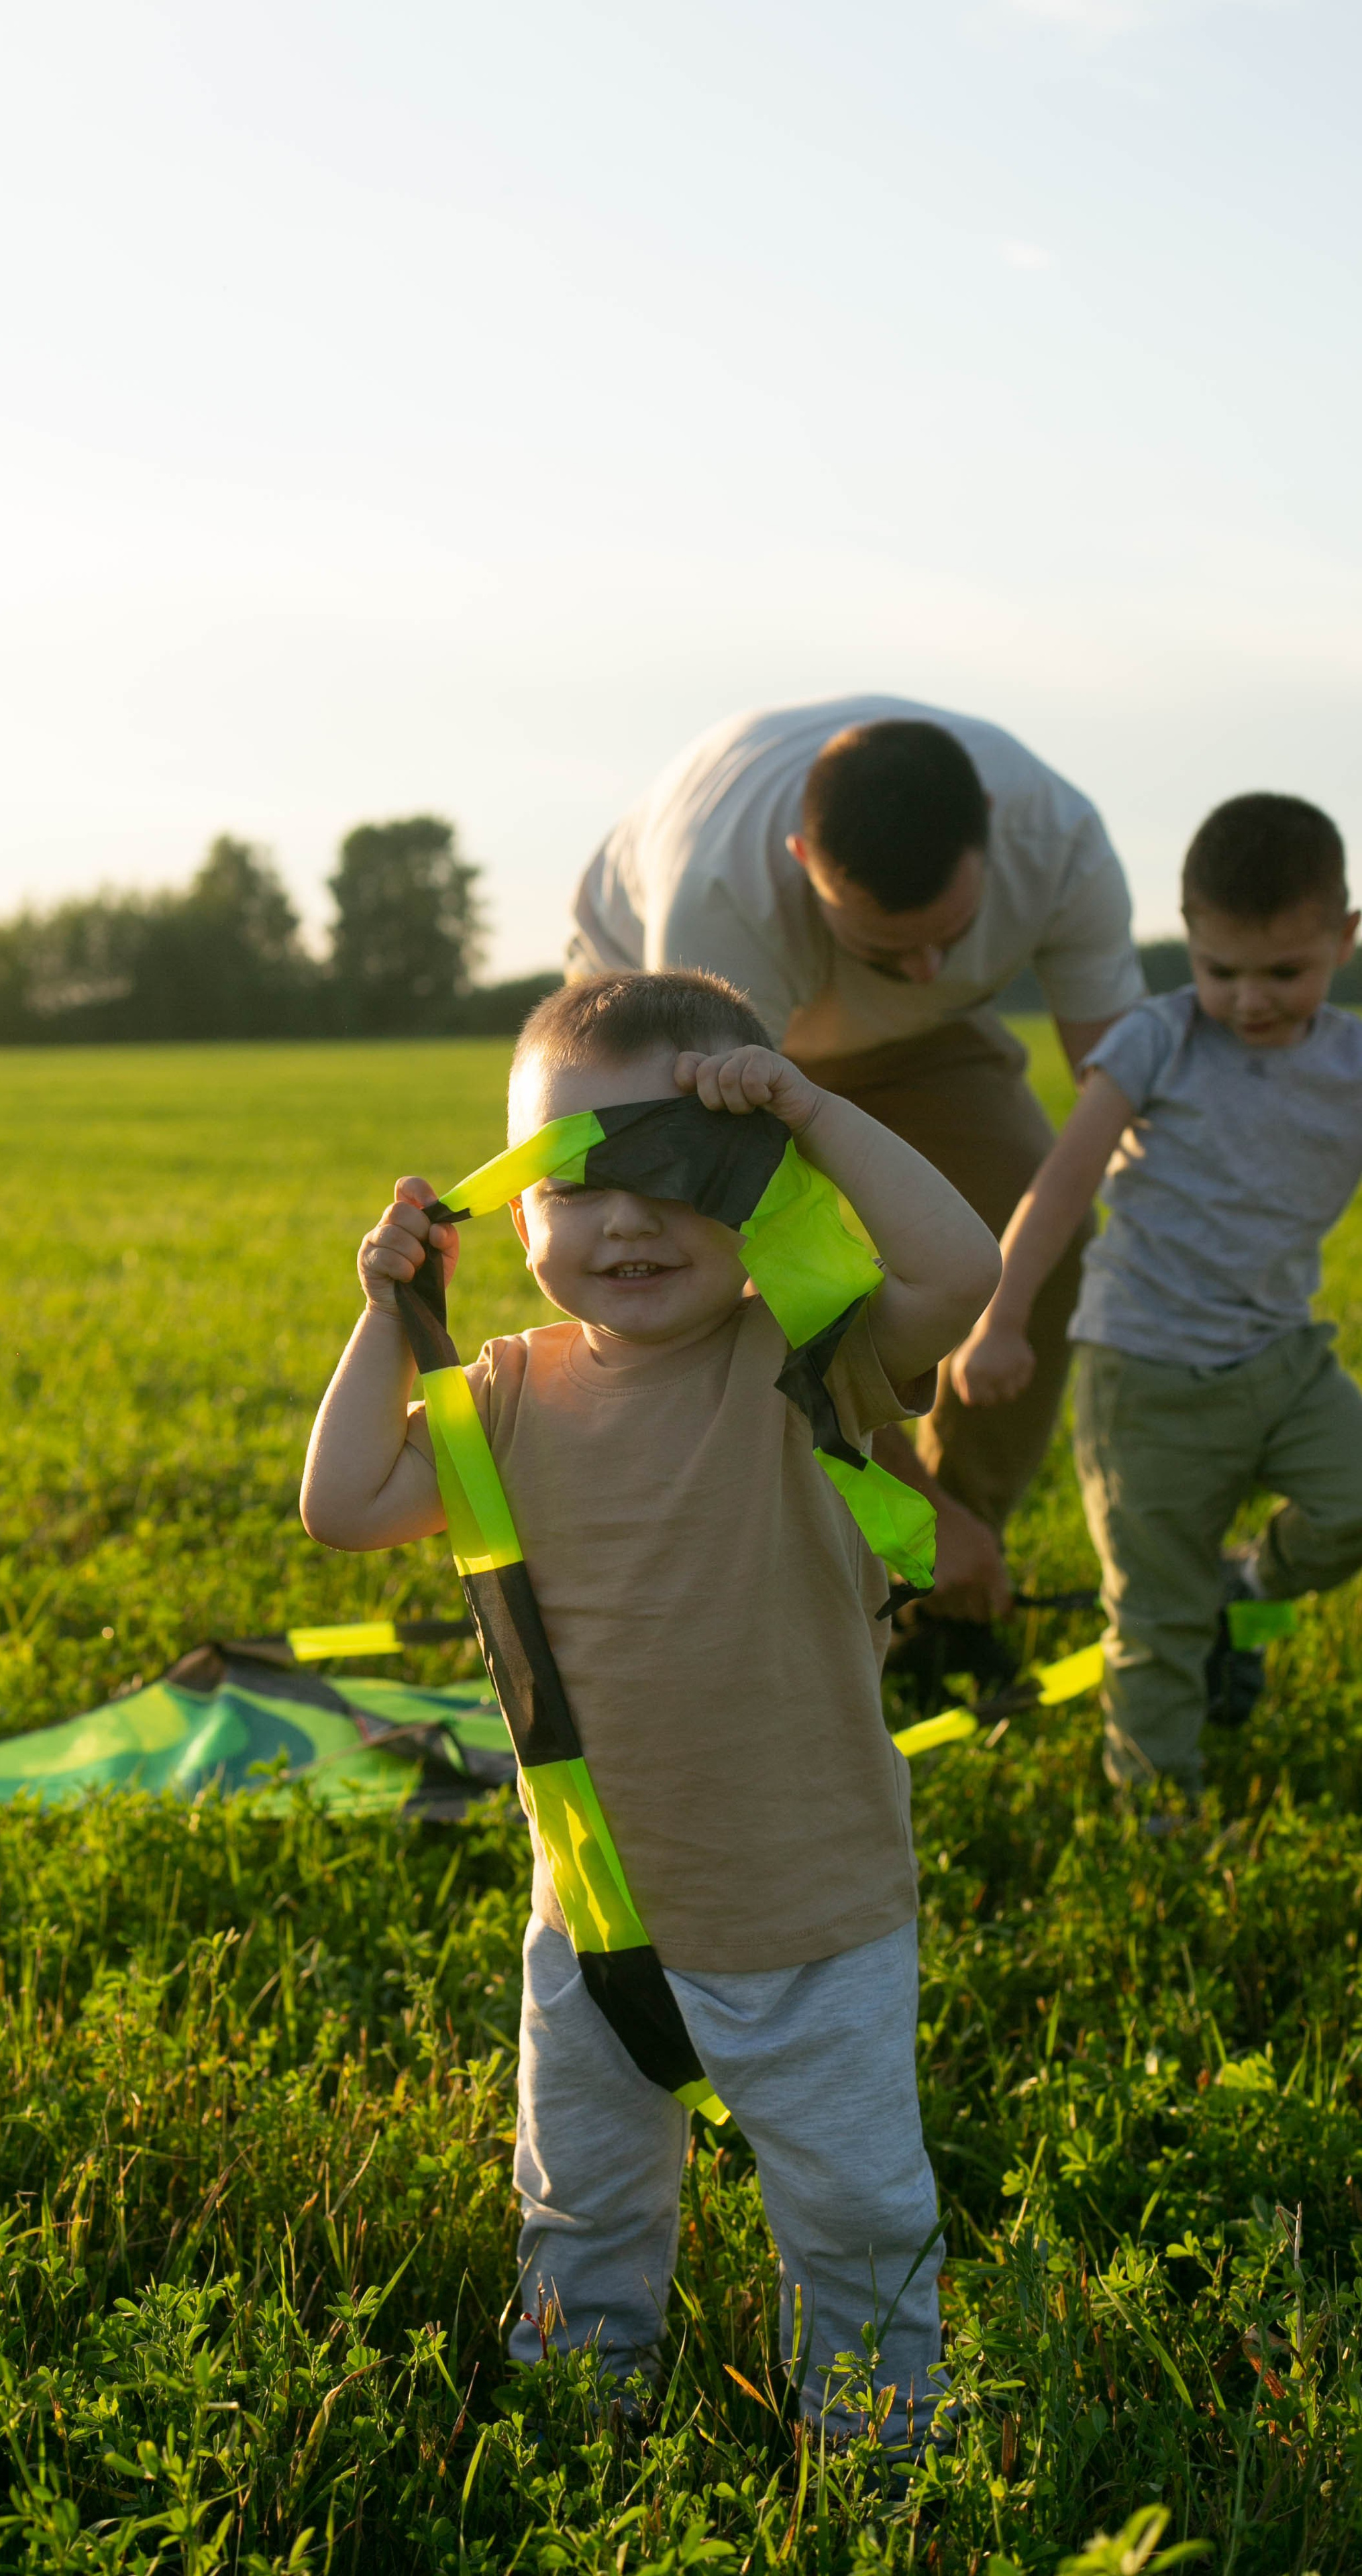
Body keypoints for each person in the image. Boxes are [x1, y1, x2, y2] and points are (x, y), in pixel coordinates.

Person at [301, 968, 1000, 2453]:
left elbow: (958, 1271)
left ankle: (876, 2443)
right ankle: (577, 2419)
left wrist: (812, 1113)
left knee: (854, 2210)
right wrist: (392, 1314)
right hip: (598, 1920)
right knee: (579, 2201)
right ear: (515, 1210)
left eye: (676, 1173)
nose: (624, 1222)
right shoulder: (500, 1392)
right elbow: (343, 1503)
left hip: (812, 1914)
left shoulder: (805, 1357)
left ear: (753, 1184)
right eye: (573, 1182)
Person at [570, 698, 1145, 1630]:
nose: (926, 968)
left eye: (951, 938)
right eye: (889, 946)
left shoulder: (1062, 840)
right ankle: (823, 1561)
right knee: (696, 1292)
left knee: (1050, 1229)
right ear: (803, 863)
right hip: (673, 1033)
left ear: (992, 837)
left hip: (925, 1047)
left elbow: (1120, 1098)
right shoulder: (722, 897)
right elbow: (753, 1226)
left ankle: (937, 1591)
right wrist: (902, 1493)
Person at [953, 794, 1362, 1800]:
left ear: (1345, 941)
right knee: (1157, 1617)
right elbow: (1061, 1186)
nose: (1251, 1000)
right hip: (1147, 1373)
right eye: (1222, 971)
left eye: (1285, 973)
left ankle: (1252, 1583)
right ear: (1190, 941)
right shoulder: (1158, 1039)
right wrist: (1001, 1318)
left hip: (1285, 1358)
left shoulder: (1352, 1063)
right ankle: (1158, 1808)